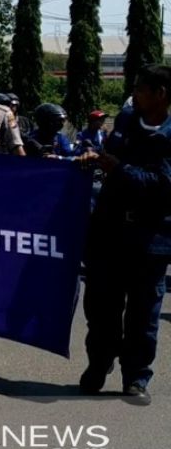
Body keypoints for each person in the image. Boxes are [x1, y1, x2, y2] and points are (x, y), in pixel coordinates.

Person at [77, 65, 171, 406]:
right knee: (101, 307)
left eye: (141, 89)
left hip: (152, 241)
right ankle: (98, 365)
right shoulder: (126, 122)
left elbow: (163, 186)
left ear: (161, 94)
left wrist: (120, 169)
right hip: (109, 234)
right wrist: (95, 159)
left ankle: (135, 377)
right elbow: (109, 159)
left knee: (143, 314)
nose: (134, 94)